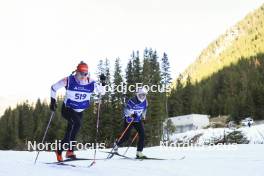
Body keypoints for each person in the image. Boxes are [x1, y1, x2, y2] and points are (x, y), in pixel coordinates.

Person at [50, 61, 106, 162]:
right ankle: (63, 151)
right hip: (68, 109)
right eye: (81, 74)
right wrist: (53, 101)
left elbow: (102, 92)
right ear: (76, 72)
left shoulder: (91, 82)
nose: (83, 76)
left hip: (79, 111)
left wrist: (103, 82)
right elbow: (53, 88)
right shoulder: (68, 80)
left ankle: (66, 151)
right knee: (76, 124)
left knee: (72, 131)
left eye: (85, 74)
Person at [114, 87, 148, 159]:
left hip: (137, 120)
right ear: (138, 94)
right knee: (126, 136)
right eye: (141, 95)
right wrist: (131, 114)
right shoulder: (132, 101)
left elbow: (144, 109)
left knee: (142, 134)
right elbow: (126, 110)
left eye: (144, 95)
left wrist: (144, 117)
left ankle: (139, 152)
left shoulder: (145, 101)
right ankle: (117, 143)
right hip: (129, 120)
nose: (143, 96)